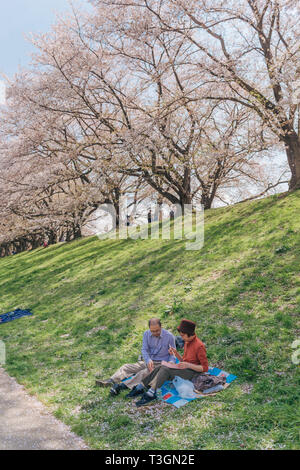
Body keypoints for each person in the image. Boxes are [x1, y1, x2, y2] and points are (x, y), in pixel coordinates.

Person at [135, 319, 208, 407]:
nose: (182, 338)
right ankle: (142, 386)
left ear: (189, 333)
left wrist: (188, 365)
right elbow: (184, 361)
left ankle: (152, 392)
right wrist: (175, 353)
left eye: (183, 335)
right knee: (163, 365)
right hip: (185, 369)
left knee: (165, 369)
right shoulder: (187, 342)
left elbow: (205, 368)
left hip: (194, 373)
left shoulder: (199, 346)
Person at [95, 318, 176, 397]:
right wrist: (148, 360)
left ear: (161, 327)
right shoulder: (146, 334)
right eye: (152, 331)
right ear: (149, 328)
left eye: (157, 330)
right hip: (149, 362)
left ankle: (121, 386)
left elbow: (173, 354)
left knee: (144, 373)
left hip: (160, 364)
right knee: (127, 367)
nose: (155, 333)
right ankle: (111, 380)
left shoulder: (169, 336)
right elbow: (144, 349)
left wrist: (170, 363)